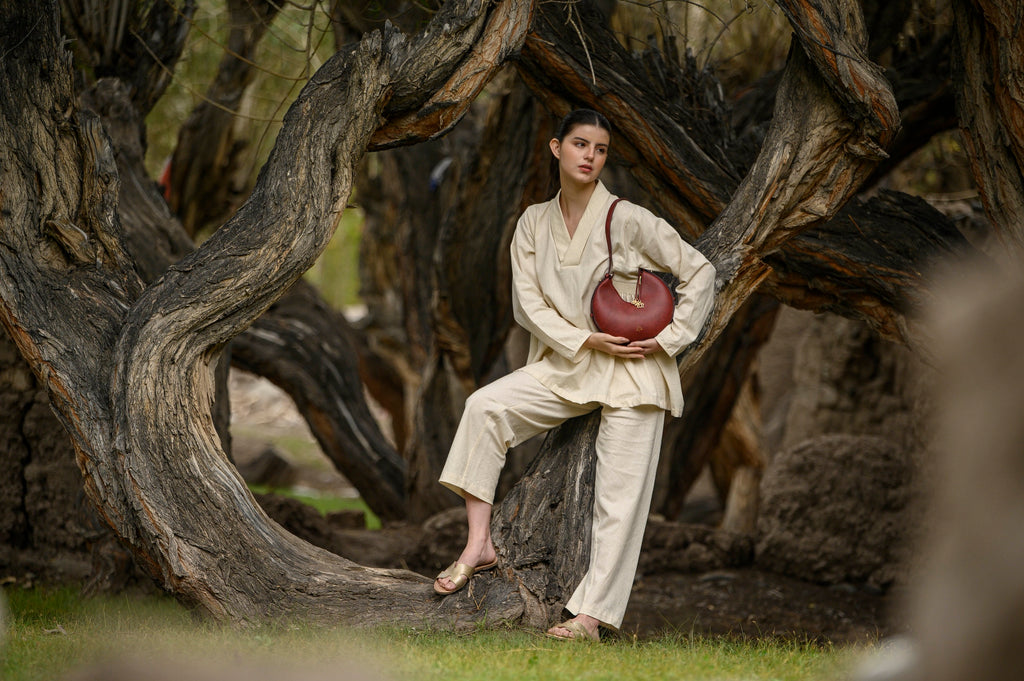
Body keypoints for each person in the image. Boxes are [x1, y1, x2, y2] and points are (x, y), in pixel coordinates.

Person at [433, 109, 716, 641]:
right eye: (580, 144)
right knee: (484, 408)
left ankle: (590, 617)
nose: (590, 155)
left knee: (619, 499)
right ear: (555, 148)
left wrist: (670, 338)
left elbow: (700, 270)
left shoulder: (627, 217)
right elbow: (527, 303)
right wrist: (584, 338)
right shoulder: (532, 223)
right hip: (568, 363)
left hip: (634, 373)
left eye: (601, 149)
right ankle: (479, 543)